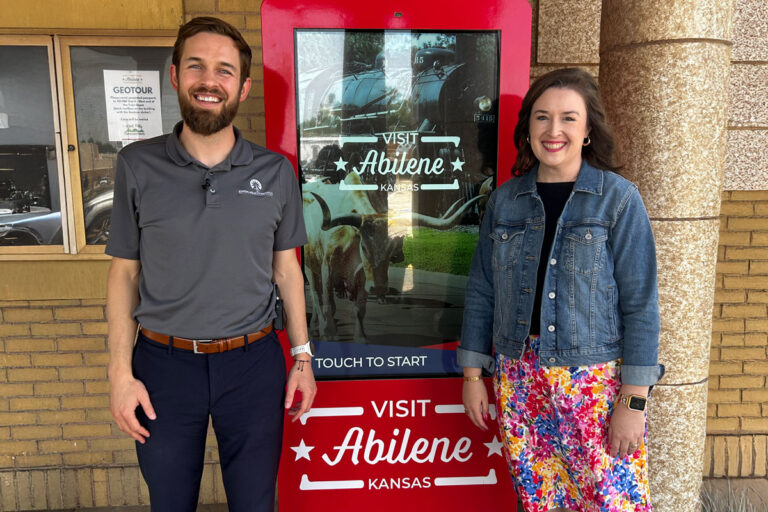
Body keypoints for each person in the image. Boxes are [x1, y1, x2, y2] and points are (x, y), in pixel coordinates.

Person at [106, 17, 316, 512]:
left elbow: (287, 271)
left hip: (253, 365)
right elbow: (124, 274)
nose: (209, 81)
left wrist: (302, 357)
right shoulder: (137, 166)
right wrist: (119, 373)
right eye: (197, 66)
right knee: (171, 502)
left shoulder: (274, 171)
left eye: (224, 71)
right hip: (162, 368)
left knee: (255, 503)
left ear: (242, 87)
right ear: (175, 75)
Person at [458, 68, 663, 512]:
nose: (554, 130)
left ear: (588, 129)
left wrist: (633, 401)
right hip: (519, 379)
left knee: (610, 501)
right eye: (541, 117)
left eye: (569, 118)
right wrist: (473, 375)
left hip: (592, 384)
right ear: (527, 128)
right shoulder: (505, 202)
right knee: (539, 500)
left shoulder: (619, 200)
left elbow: (641, 303)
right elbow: (482, 290)